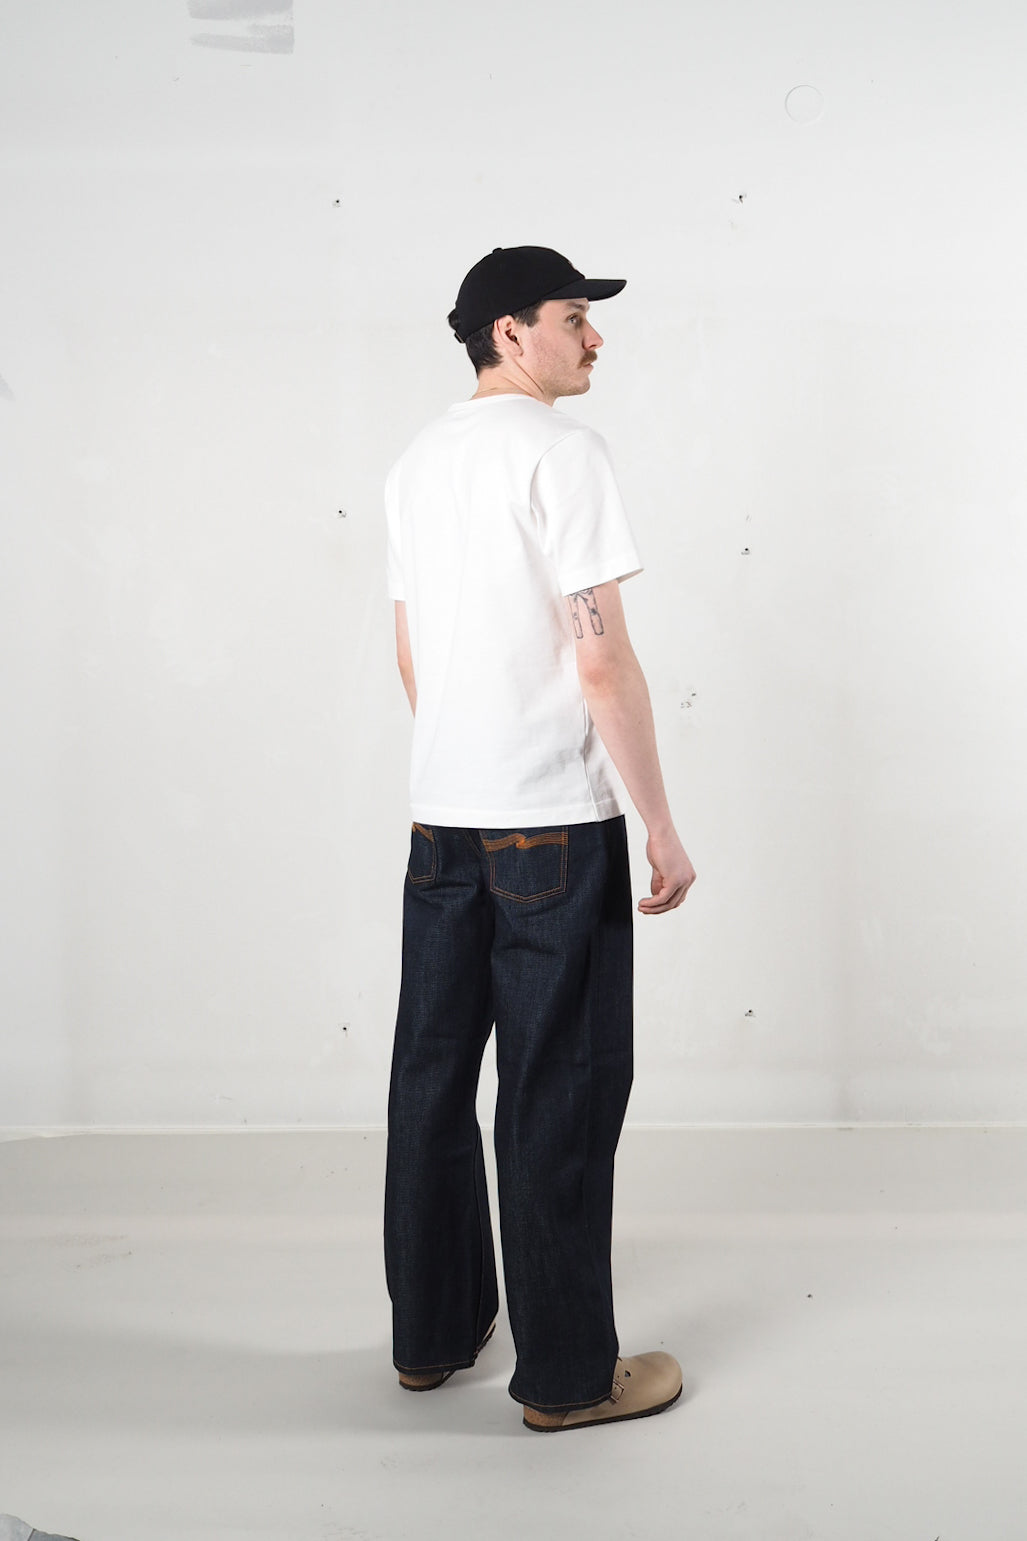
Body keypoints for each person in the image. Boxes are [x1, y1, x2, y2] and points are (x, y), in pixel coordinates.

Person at [383, 245, 696, 1432]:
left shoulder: (418, 461)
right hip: (553, 826)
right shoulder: (564, 454)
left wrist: (465, 758)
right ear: (510, 332)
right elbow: (598, 655)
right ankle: (567, 1377)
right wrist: (656, 821)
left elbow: (412, 651)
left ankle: (430, 1337)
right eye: (575, 317)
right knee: (558, 1086)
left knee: (431, 1073)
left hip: (441, 815)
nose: (594, 338)